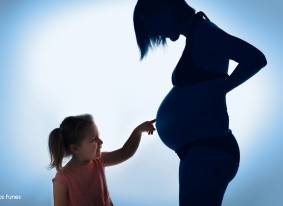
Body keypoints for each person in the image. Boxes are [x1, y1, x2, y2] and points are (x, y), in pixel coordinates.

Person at [133, 0, 267, 205]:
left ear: (165, 8)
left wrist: (218, 94)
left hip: (208, 148)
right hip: (197, 149)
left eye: (151, 23)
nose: (155, 32)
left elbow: (255, 58)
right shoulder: (196, 35)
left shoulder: (204, 32)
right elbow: (202, 85)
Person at [48, 114, 156, 206]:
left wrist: (138, 131)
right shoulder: (62, 179)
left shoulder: (98, 161)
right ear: (75, 148)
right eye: (93, 140)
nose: (101, 142)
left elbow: (126, 152)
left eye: (98, 136)